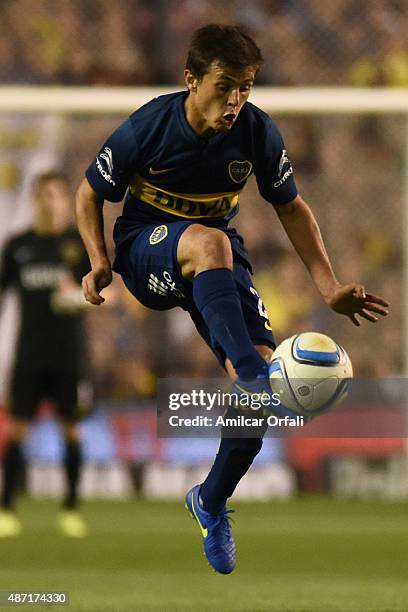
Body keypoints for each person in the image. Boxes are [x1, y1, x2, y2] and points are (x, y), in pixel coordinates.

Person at [76, 24, 388, 573]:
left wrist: (329, 286)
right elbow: (89, 194)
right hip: (145, 249)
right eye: (225, 86)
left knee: (262, 373)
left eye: (246, 87)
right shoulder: (149, 126)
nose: (236, 100)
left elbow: (291, 207)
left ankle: (211, 499)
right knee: (211, 246)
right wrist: (99, 259)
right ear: (192, 79)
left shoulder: (257, 133)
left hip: (217, 260)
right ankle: (250, 373)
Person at [0, 171, 91, 538]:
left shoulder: (80, 245)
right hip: (29, 354)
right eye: (44, 196)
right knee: (17, 429)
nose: (50, 202)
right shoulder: (18, 246)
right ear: (36, 200)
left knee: (71, 430)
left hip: (70, 356)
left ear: (64, 200)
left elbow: (108, 295)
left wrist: (80, 297)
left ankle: (70, 508)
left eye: (56, 195)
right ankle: (6, 508)